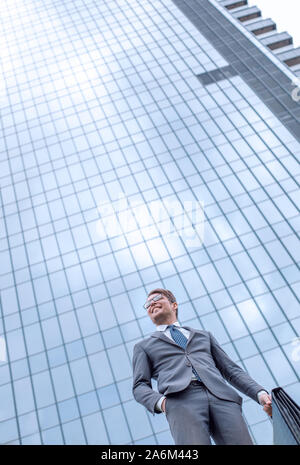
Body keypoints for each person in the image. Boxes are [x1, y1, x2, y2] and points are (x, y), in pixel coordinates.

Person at [132, 288, 272, 445]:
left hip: (222, 397)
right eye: (148, 304)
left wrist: (260, 393)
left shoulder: (204, 336)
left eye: (157, 298)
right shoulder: (143, 347)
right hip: (181, 402)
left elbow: (231, 370)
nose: (152, 303)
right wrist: (163, 403)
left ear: (174, 305)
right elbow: (139, 386)